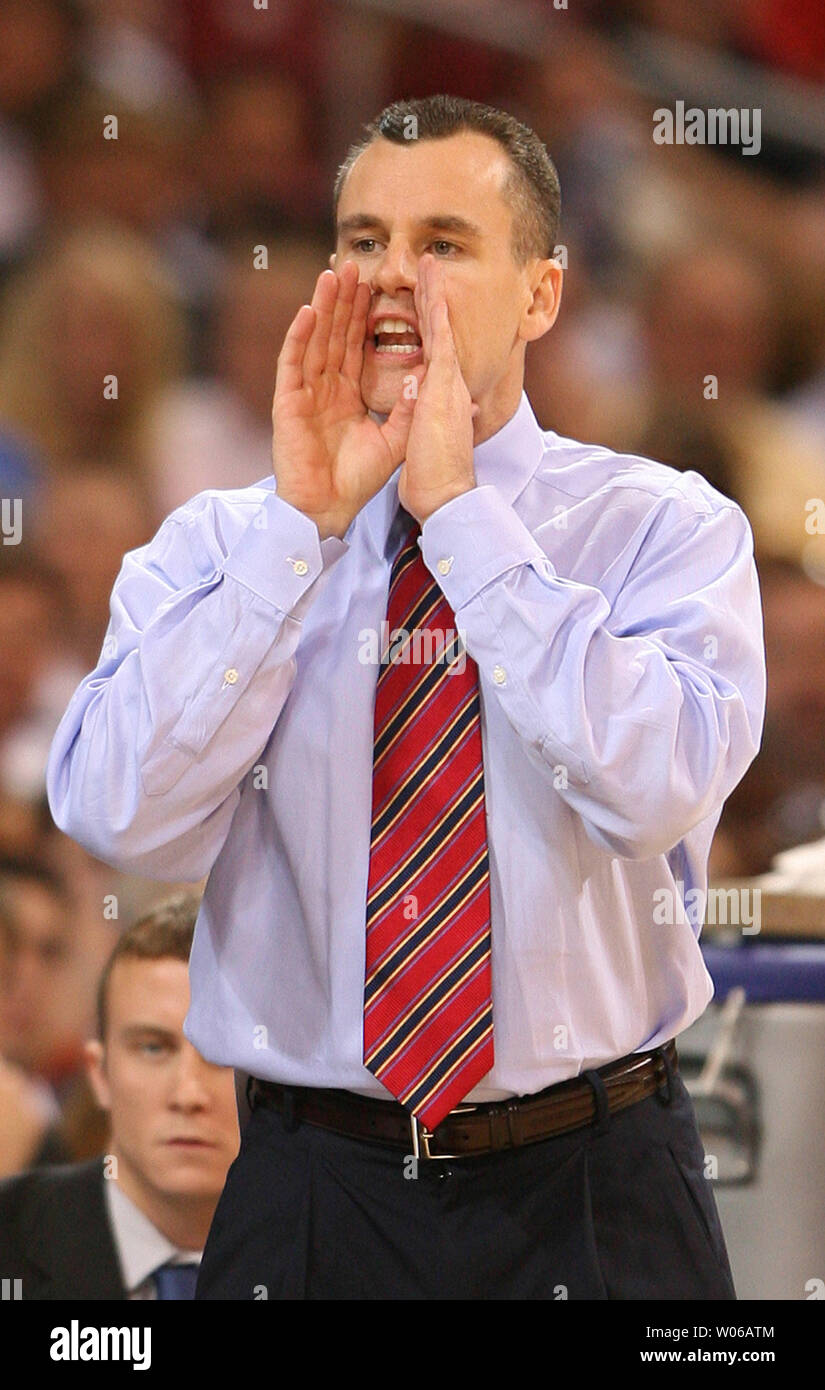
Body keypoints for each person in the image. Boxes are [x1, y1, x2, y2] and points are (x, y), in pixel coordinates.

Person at [47, 95, 766, 1300]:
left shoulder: (664, 527)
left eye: (442, 243)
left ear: (540, 293)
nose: (393, 278)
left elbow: (653, 788)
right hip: (311, 1184)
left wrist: (465, 525)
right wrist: (300, 534)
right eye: (363, 241)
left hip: (599, 1182)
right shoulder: (224, 544)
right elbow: (121, 817)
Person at [0, 894, 240, 1299]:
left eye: (220, 1054)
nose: (188, 1094)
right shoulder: (10, 1241)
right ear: (99, 1074)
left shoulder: (338, 1255)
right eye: (153, 1048)